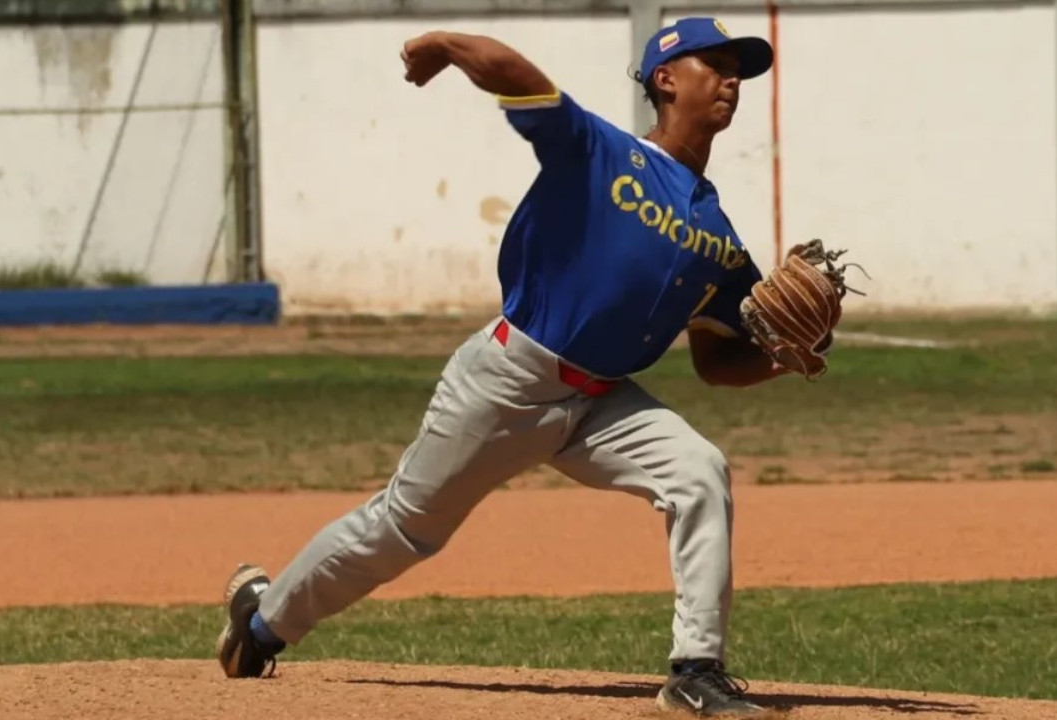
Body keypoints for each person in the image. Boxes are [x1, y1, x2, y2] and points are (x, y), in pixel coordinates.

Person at [218, 16, 792, 717]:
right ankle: (260, 623)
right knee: (402, 531)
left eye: (740, 69)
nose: (732, 78)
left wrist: (783, 356)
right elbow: (521, 79)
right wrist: (446, 46)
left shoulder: (719, 236)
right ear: (666, 79)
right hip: (508, 379)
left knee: (698, 470)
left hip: (603, 403)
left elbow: (717, 361)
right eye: (716, 63)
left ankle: (696, 670)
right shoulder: (600, 152)